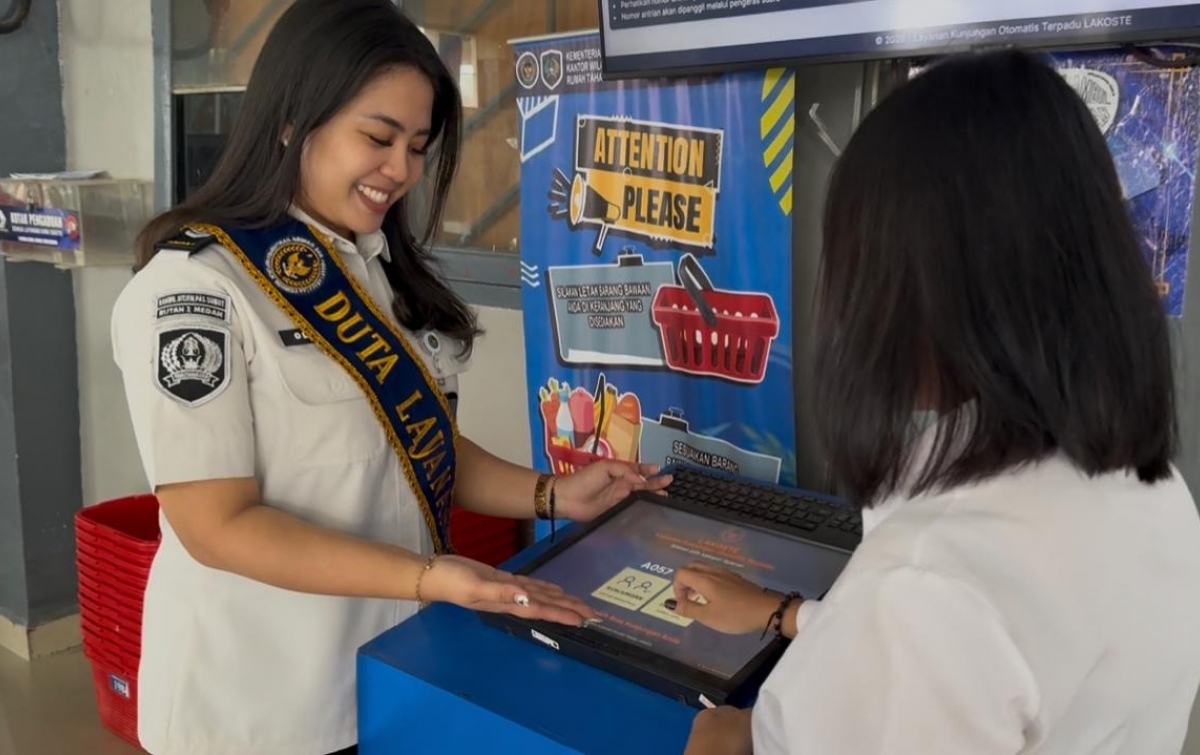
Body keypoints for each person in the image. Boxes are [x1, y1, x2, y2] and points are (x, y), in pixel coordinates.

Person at [110, 2, 669, 753]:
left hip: (390, 675)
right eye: (376, 138)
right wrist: (433, 576)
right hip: (259, 706)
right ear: (290, 120)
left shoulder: (372, 267)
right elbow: (215, 526)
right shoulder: (196, 292)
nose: (401, 171)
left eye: (417, 145)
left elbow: (408, 449)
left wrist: (551, 492)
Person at [673, 49, 1200, 755]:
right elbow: (980, 666)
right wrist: (787, 614)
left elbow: (941, 632)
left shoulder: (927, 580)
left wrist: (723, 741)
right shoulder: (1151, 486)